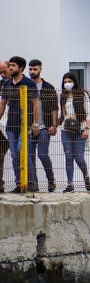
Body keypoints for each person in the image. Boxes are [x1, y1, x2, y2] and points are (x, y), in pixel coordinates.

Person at [0, 56, 40, 193]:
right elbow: (3, 105)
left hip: (26, 124)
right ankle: (19, 184)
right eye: (9, 65)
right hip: (11, 125)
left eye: (13, 65)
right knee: (14, 155)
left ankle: (31, 183)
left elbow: (36, 105)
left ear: (21, 68)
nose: (10, 68)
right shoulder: (7, 84)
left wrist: (35, 123)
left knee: (22, 152)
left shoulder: (29, 83)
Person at [58, 72, 90, 192]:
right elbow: (63, 113)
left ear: (75, 82)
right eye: (65, 82)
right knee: (68, 156)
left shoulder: (82, 94)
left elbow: (89, 114)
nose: (67, 84)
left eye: (69, 81)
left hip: (80, 128)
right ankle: (70, 184)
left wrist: (87, 129)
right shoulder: (63, 96)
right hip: (66, 129)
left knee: (78, 157)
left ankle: (86, 175)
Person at [27, 59, 58, 192]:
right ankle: (34, 185)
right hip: (29, 127)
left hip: (44, 127)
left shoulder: (48, 87)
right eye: (30, 69)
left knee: (42, 154)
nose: (32, 71)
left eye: (35, 69)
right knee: (29, 156)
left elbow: (54, 108)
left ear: (40, 70)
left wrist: (54, 125)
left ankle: (50, 179)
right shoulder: (26, 86)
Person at [0, 61, 9, 191]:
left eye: (4, 71)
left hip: (12, 125)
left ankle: (22, 183)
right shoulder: (2, 85)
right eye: (0, 72)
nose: (2, 74)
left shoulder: (20, 85)